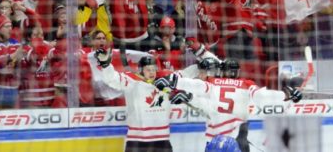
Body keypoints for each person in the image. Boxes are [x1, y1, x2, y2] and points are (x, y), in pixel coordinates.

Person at [155, 58, 302, 152]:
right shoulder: (245, 84)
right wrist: (286, 94)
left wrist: (173, 81)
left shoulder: (212, 83)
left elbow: (197, 86)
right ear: (237, 72)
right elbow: (262, 96)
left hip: (213, 141)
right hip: (237, 138)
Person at [92, 53, 187, 152]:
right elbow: (112, 79)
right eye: (148, 69)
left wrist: (200, 64)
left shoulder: (165, 81)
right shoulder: (131, 81)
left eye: (153, 69)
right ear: (141, 70)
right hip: (137, 141)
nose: (151, 72)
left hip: (162, 140)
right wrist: (106, 65)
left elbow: (185, 75)